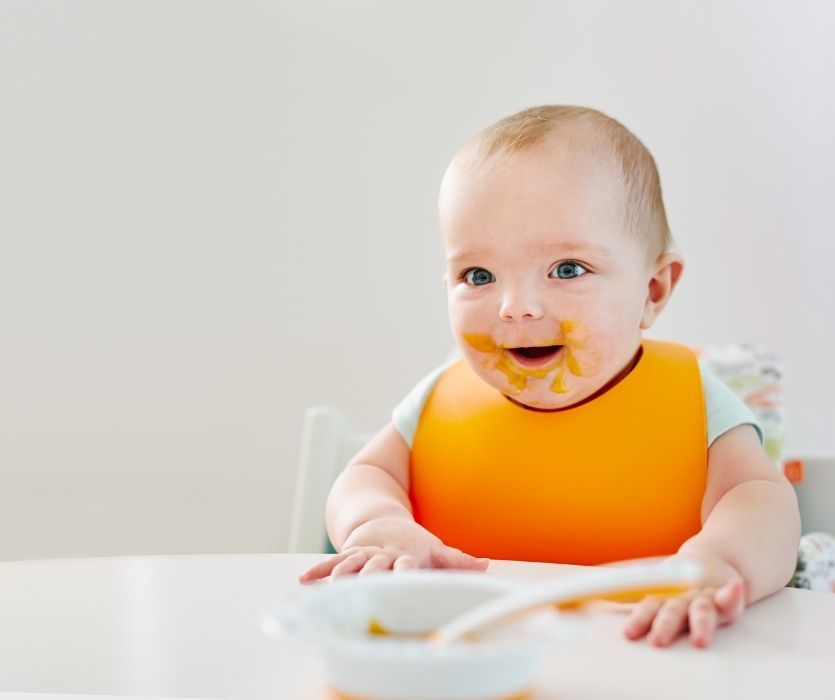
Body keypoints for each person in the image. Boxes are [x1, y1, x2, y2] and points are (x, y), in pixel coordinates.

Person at [299, 105, 800, 648]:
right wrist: (378, 523)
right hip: (472, 657)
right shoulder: (438, 402)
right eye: (479, 275)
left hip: (643, 655)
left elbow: (761, 501)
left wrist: (720, 562)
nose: (516, 308)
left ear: (653, 290)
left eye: (567, 270)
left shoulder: (696, 401)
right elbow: (365, 476)